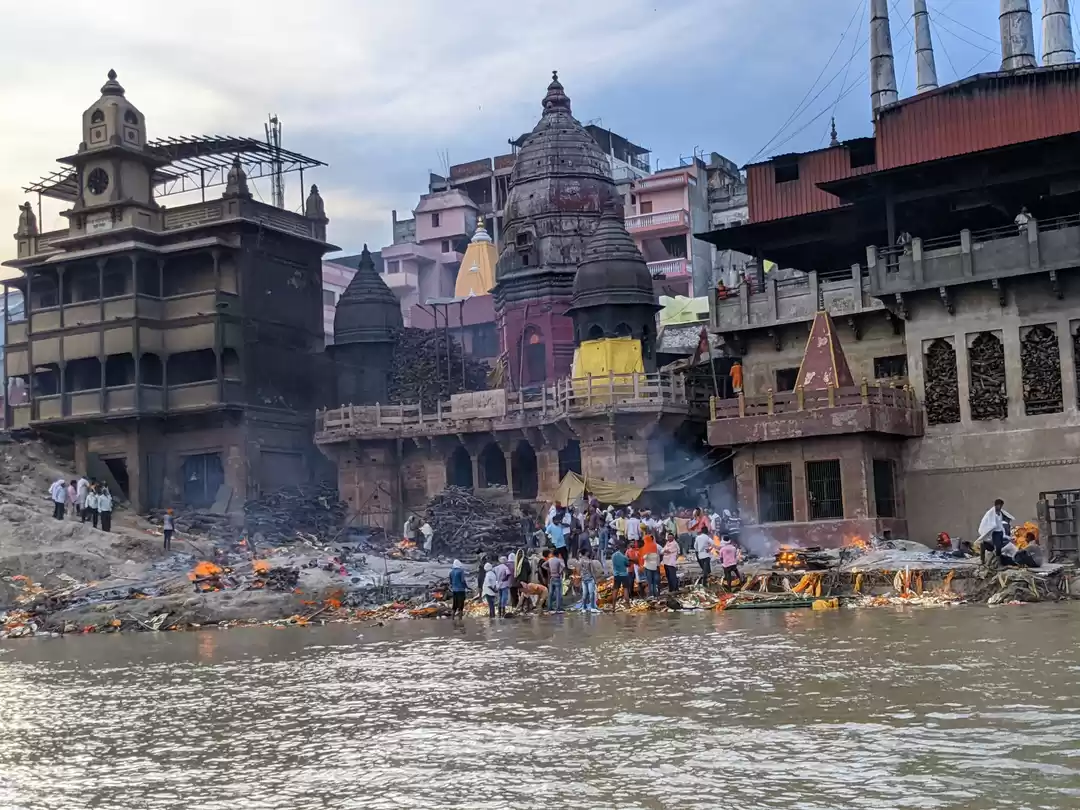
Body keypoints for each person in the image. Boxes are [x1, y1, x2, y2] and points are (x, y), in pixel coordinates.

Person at [977, 498, 1014, 564]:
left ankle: (997, 561)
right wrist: (987, 531)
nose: (1001, 507)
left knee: (998, 547)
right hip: (994, 532)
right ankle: (994, 561)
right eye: (1000, 505)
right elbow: (986, 522)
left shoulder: (1000, 513)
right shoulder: (990, 513)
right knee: (996, 546)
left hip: (999, 532)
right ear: (997, 505)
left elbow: (1000, 524)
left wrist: (1004, 534)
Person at [610, 545, 632, 609]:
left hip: (616, 575)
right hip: (624, 575)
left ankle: (613, 607)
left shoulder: (613, 555)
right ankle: (628, 606)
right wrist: (629, 560)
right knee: (625, 589)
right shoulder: (624, 557)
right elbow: (628, 564)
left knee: (615, 590)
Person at [641, 533, 661, 598]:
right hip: (655, 566)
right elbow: (659, 555)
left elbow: (644, 557)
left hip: (648, 567)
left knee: (650, 582)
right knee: (654, 581)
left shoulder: (646, 547)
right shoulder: (656, 546)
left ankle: (651, 594)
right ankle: (656, 594)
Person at [580, 548, 599, 613]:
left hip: (583, 579)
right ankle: (592, 607)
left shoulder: (580, 561)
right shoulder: (589, 561)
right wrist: (595, 580)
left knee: (584, 594)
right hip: (590, 579)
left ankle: (584, 608)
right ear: (586, 553)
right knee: (591, 593)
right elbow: (592, 571)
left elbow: (579, 570)